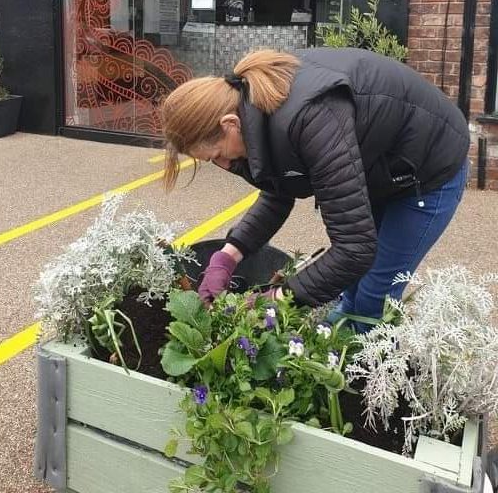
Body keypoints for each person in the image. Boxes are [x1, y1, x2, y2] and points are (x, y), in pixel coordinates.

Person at [161, 48, 469, 326]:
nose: (224, 166)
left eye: (216, 156)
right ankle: (340, 337)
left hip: (427, 170)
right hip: (378, 166)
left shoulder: (310, 116)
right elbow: (278, 194)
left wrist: (275, 301)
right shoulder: (255, 113)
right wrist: (227, 255)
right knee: (352, 289)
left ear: (229, 123)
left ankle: (363, 373)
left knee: (374, 293)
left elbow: (354, 250)